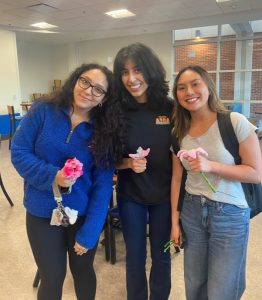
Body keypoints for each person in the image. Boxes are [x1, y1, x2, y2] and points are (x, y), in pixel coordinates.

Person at [11, 63, 124, 300]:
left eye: (98, 90)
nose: (89, 91)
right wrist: (54, 176)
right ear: (75, 80)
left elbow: (103, 187)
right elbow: (19, 151)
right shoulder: (44, 109)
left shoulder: (104, 131)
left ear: (104, 98)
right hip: (41, 212)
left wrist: (92, 231)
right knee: (52, 276)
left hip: (81, 216)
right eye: (85, 81)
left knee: (83, 272)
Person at [170, 65, 262, 300]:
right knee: (195, 283)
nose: (188, 91)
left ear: (208, 87)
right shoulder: (178, 131)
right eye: (181, 87)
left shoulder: (234, 121)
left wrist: (212, 166)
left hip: (230, 213)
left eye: (195, 84)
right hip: (191, 210)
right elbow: (177, 178)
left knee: (222, 288)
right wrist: (174, 221)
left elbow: (255, 173)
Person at [113, 42, 174, 300]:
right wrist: (127, 163)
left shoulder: (170, 108)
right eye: (124, 72)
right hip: (131, 196)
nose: (131, 78)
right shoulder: (116, 110)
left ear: (149, 71)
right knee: (135, 258)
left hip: (164, 196)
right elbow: (107, 158)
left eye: (137, 70)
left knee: (162, 255)